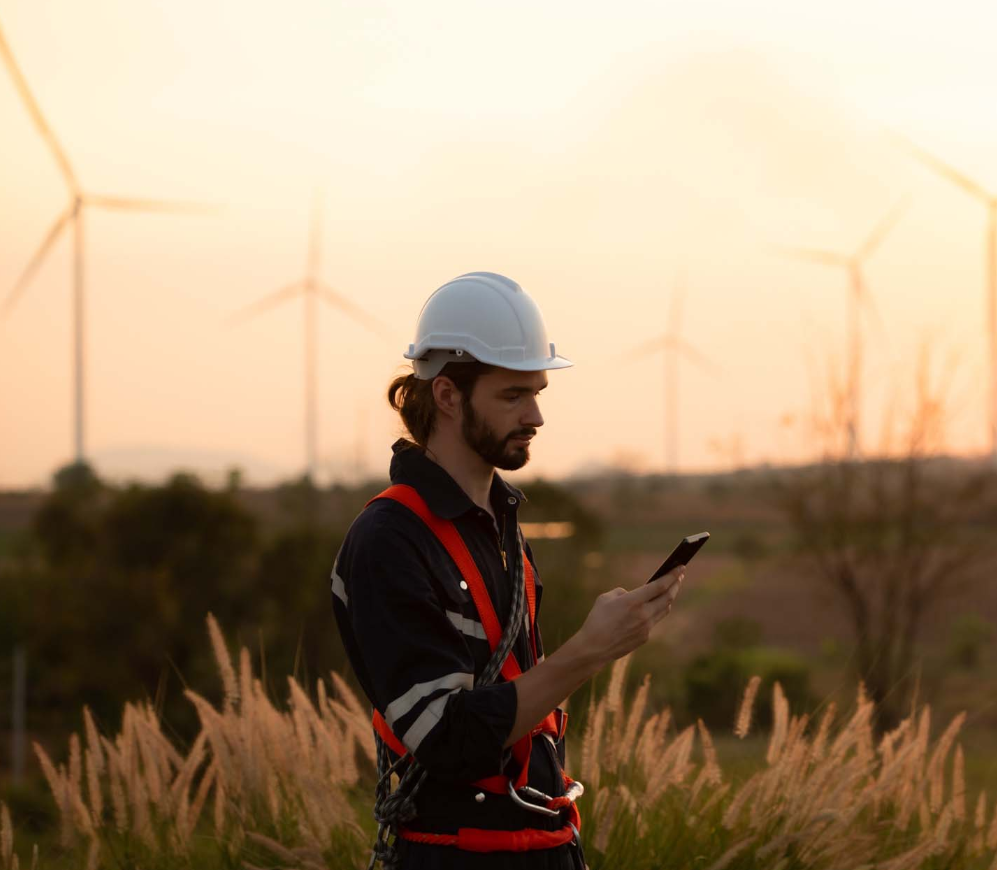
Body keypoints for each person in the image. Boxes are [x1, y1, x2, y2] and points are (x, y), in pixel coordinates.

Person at [330, 272, 684, 870]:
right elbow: (448, 739)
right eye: (513, 395)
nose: (537, 415)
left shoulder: (501, 525)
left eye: (538, 392)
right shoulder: (388, 541)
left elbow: (510, 703)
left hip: (542, 848)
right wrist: (588, 652)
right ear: (447, 395)